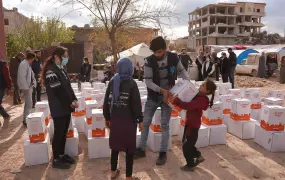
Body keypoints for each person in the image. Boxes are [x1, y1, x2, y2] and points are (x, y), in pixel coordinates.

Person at [135, 36, 190, 166]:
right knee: (146, 122)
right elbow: (147, 81)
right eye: (155, 52)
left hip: (169, 98)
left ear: (164, 49)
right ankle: (141, 149)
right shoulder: (149, 61)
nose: (157, 54)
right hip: (153, 97)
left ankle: (163, 152)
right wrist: (162, 91)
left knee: (165, 125)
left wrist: (186, 84)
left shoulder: (173, 58)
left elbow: (182, 72)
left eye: (159, 51)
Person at [103, 58, 143, 180]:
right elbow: (136, 104)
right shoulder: (132, 83)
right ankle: (129, 177)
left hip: (115, 120)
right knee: (129, 149)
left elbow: (106, 101)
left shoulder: (112, 81)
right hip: (128, 121)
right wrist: (140, 120)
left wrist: (107, 117)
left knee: (115, 147)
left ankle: (113, 172)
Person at [41, 46, 78, 169]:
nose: (66, 58)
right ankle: (56, 158)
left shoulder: (61, 68)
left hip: (66, 106)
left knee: (64, 132)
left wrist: (74, 99)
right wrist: (70, 102)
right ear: (57, 56)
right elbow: (58, 91)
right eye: (65, 56)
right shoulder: (51, 71)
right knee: (58, 133)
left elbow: (68, 86)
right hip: (58, 106)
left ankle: (62, 154)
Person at [169, 79, 217, 171]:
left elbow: (187, 106)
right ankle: (198, 156)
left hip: (193, 125)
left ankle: (190, 164)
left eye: (203, 85)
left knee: (186, 145)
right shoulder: (197, 96)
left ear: (207, 91)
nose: (200, 86)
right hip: (190, 123)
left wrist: (176, 101)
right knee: (188, 144)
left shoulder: (201, 100)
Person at [18, 52, 36, 126]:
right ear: (31, 58)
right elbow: (22, 77)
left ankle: (26, 119)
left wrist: (34, 82)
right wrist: (26, 88)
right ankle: (26, 120)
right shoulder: (23, 64)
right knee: (29, 104)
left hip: (29, 86)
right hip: (26, 88)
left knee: (28, 103)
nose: (33, 61)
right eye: (33, 59)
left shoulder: (27, 64)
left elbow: (31, 75)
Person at [0, 59, 12, 126]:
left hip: (1, 86)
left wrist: (9, 88)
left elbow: (7, 77)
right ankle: (5, 115)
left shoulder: (3, 65)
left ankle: (5, 115)